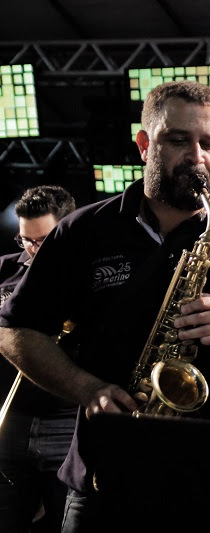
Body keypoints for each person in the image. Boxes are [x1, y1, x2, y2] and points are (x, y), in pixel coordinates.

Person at [0, 81, 210, 532]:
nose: (196, 156)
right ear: (144, 145)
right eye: (178, 140)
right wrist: (87, 388)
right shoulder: (83, 231)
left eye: (209, 144)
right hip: (104, 476)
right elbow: (14, 331)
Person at [0, 185, 77, 533]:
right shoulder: (3, 270)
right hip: (10, 423)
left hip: (66, 426)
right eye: (25, 241)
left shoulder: (87, 279)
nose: (32, 251)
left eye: (42, 240)